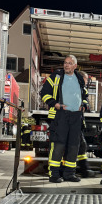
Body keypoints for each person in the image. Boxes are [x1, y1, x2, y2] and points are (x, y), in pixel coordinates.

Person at [40, 55, 87, 183]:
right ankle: (54, 174)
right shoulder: (56, 76)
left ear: (75, 66)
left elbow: (84, 95)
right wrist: (55, 104)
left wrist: (84, 105)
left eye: (70, 63)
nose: (66, 65)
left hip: (76, 117)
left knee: (73, 146)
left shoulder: (79, 78)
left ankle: (69, 174)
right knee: (58, 145)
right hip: (60, 115)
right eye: (65, 62)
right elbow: (44, 93)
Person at [75, 71, 94, 178]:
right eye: (86, 79)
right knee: (80, 146)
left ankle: (84, 170)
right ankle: (84, 170)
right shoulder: (75, 87)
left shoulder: (82, 89)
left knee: (80, 146)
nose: (87, 81)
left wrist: (85, 106)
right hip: (73, 121)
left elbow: (85, 102)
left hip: (77, 121)